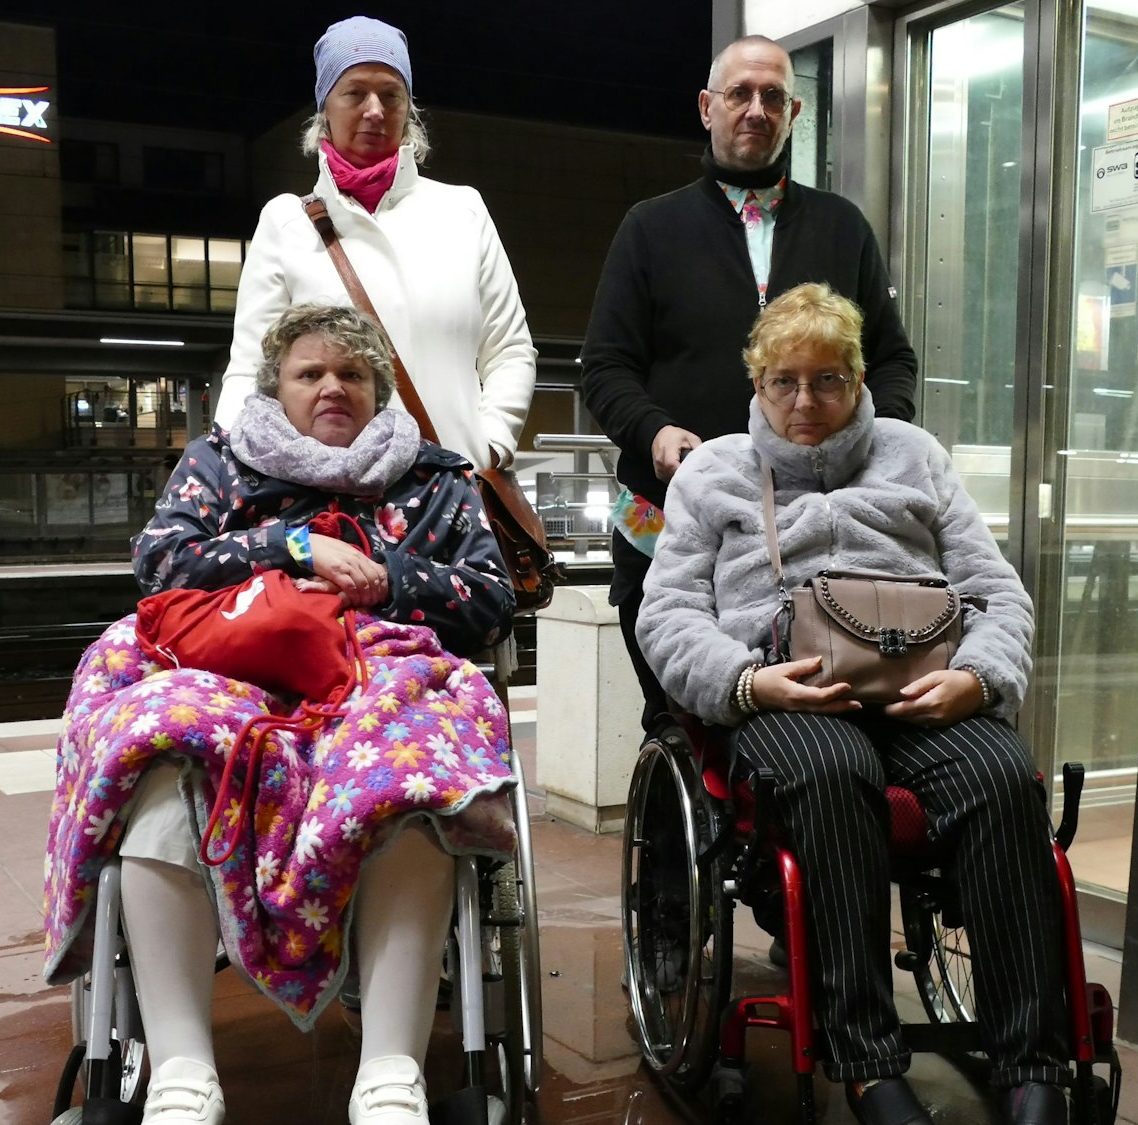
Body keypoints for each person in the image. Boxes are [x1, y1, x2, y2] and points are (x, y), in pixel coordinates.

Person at [44, 305, 521, 1125]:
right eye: (311, 372)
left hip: (381, 666)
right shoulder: (218, 463)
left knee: (411, 767)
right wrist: (290, 548)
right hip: (230, 664)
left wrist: (381, 576)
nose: (332, 386)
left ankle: (391, 1073)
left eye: (352, 372)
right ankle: (182, 1072)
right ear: (277, 388)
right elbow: (160, 563)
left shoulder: (438, 478)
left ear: (378, 390)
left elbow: (491, 596)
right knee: (158, 743)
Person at [638, 284, 1069, 1125]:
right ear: (758, 384)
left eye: (828, 379)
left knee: (1002, 775)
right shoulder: (714, 473)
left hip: (923, 690)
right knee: (832, 773)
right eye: (785, 381)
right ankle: (868, 1062)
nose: (806, 401)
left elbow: (998, 592)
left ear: (860, 378)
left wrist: (978, 679)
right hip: (787, 696)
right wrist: (746, 683)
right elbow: (669, 614)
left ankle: (1032, 1061)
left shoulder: (915, 456)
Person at [582, 34, 920, 736]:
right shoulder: (650, 227)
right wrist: (654, 431)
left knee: (827, 725)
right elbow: (605, 366)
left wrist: (873, 438)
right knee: (682, 722)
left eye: (773, 96)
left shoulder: (842, 226)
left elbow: (891, 361)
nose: (756, 109)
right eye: (739, 94)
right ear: (707, 107)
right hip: (669, 518)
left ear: (794, 112)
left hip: (817, 534)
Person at [213, 15, 536, 473]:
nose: (375, 110)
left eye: (391, 94)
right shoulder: (287, 221)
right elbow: (251, 364)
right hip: (326, 495)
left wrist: (492, 444)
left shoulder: (462, 211)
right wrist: (226, 463)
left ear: (409, 108)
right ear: (325, 107)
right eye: (354, 93)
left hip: (451, 484)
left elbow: (510, 349)